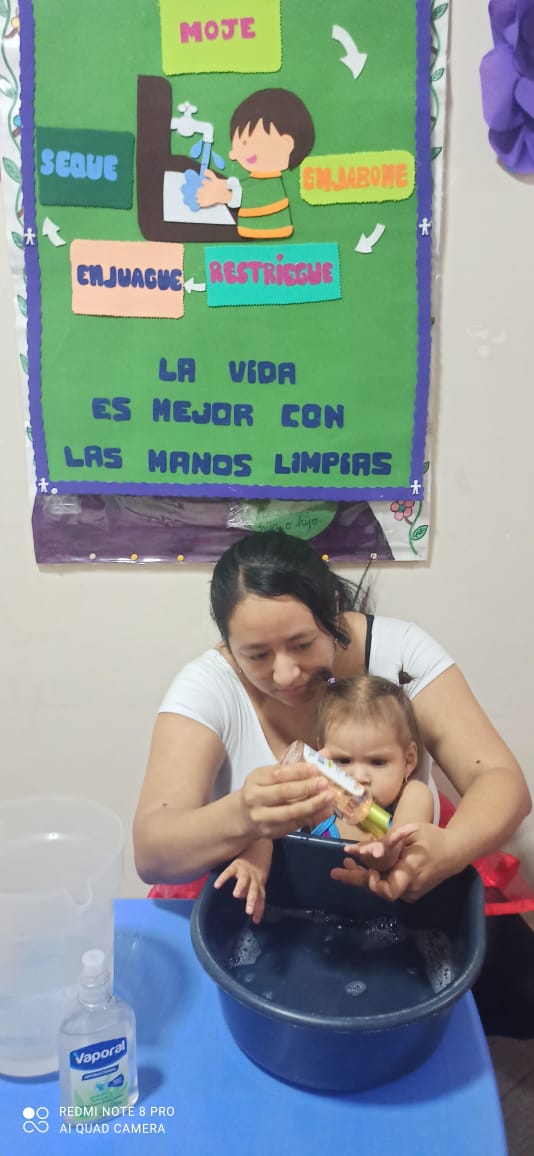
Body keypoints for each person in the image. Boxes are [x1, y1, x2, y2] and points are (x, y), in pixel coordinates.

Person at [133, 528, 530, 909]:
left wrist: (450, 847)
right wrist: (242, 816)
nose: (285, 674)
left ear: (335, 609)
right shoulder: (208, 688)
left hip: (405, 904)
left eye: (302, 644)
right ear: (228, 644)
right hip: (271, 905)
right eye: (256, 655)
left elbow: (501, 780)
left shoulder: (401, 654)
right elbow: (151, 852)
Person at [212, 673, 435, 923]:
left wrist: (386, 856)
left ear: (408, 760)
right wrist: (254, 858)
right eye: (343, 761)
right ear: (323, 756)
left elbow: (401, 848)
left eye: (378, 762)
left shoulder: (414, 796)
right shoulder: (320, 804)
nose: (359, 777)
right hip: (314, 919)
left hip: (389, 921)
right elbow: (268, 824)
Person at [195, 88, 315, 239]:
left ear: (287, 144)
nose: (234, 154)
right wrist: (224, 186)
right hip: (249, 234)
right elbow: (248, 188)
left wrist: (225, 195)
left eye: (246, 142)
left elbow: (256, 196)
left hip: (272, 231)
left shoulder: (271, 183)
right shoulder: (257, 180)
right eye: (239, 144)